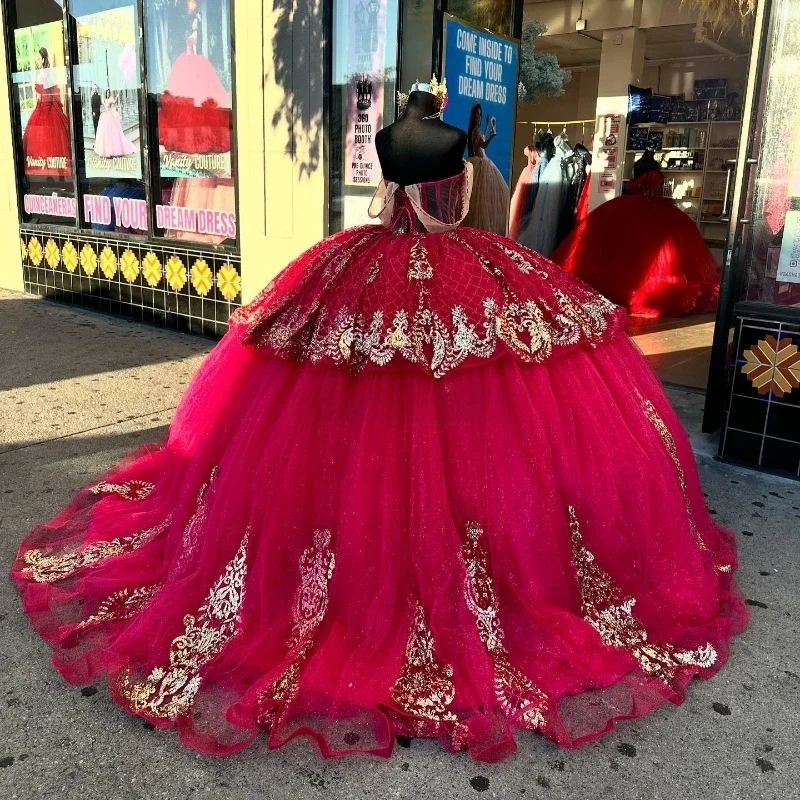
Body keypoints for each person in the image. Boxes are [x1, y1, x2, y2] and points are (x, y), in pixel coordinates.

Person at [12, 81, 746, 763]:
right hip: (408, 267)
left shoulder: (414, 151)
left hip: (392, 268)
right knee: (413, 409)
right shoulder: (447, 155)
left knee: (444, 402)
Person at [551, 151, 721, 319]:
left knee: (626, 250)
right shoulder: (669, 213)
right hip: (657, 211)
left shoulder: (618, 208)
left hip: (634, 209)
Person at [159, 12, 232, 154]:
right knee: (189, 93)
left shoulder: (196, 35)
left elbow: (195, 50)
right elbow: (191, 50)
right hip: (189, 61)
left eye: (196, 22)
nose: (194, 24)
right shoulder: (191, 36)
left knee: (201, 93)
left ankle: (201, 132)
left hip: (194, 61)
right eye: (193, 22)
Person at [22, 47, 72, 177]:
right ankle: (54, 167)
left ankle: (47, 168)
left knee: (43, 140)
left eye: (39, 58)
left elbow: (45, 94)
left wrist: (42, 107)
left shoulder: (43, 73)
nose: (38, 61)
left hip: (44, 107)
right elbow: (50, 92)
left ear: (43, 59)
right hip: (45, 105)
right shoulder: (48, 73)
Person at [463, 102, 509, 234]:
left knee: (478, 198)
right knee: (481, 199)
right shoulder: (475, 131)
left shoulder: (474, 130)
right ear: (473, 116)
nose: (479, 117)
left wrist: (488, 126)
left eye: (480, 114)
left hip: (479, 161)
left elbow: (478, 145)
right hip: (481, 162)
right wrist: (491, 137)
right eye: (477, 114)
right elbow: (482, 145)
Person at [94, 90, 136, 159]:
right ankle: (105, 150)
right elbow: (103, 104)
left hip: (110, 116)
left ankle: (113, 150)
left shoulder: (111, 99)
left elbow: (113, 103)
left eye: (108, 93)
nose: (108, 94)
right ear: (106, 94)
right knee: (105, 133)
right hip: (105, 116)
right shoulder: (105, 100)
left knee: (111, 132)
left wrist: (116, 97)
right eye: (107, 93)